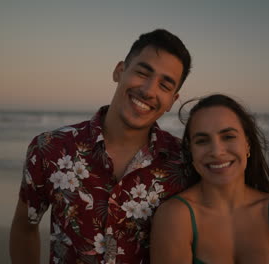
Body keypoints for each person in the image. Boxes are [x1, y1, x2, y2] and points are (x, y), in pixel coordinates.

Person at [10, 29, 192, 264]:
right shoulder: (50, 148)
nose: (148, 90)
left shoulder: (184, 163)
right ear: (119, 71)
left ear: (172, 101)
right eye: (142, 72)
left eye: (164, 86)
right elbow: (25, 227)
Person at [150, 94, 269, 264]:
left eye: (228, 136)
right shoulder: (175, 216)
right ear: (191, 151)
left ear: (247, 144)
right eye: (202, 141)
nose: (216, 151)